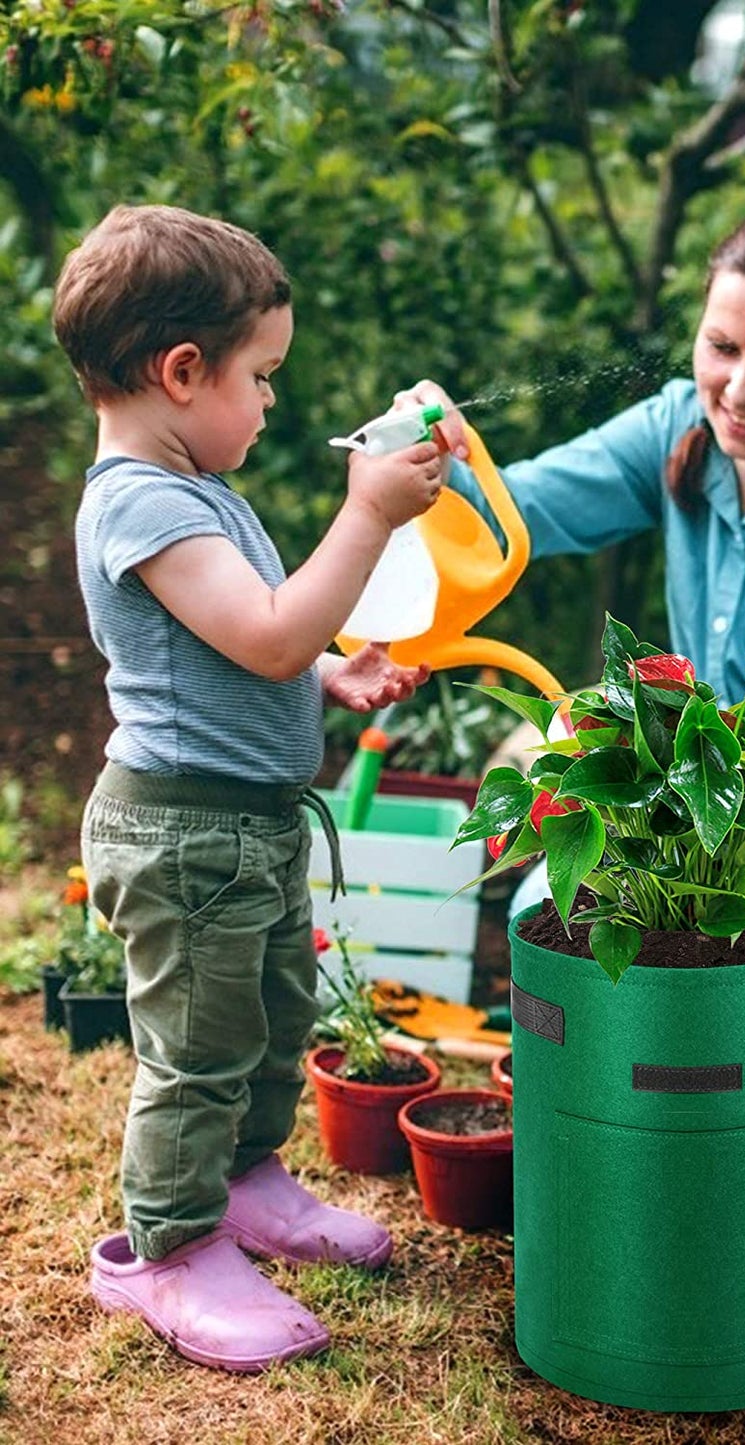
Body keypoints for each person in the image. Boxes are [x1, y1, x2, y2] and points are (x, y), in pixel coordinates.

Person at [395, 199, 745, 1169]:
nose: (739, 389)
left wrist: (579, 747)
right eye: (721, 347)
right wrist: (435, 457)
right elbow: (511, 514)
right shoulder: (675, 426)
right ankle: (644, 1156)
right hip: (711, 805)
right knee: (546, 920)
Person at [53, 204, 444, 1373]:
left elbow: (239, 643)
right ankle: (168, 1248)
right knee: (196, 1047)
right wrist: (367, 513)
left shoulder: (194, 488)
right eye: (260, 375)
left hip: (246, 827)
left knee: (272, 1018)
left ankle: (246, 1177)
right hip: (183, 835)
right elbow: (266, 633)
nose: (271, 401)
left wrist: (330, 668)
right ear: (182, 371)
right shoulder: (141, 501)